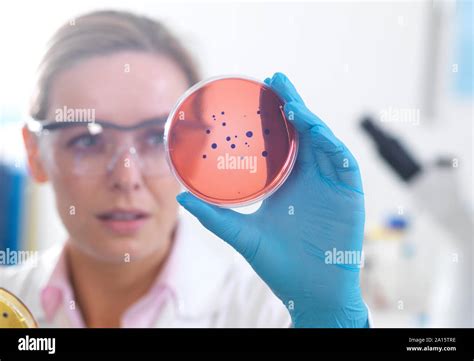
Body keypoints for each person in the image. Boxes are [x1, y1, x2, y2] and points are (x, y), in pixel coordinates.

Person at [0, 10, 370, 328]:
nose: (127, 178)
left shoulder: (269, 314)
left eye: (156, 139)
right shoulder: (8, 300)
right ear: (34, 154)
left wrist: (330, 319)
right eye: (87, 140)